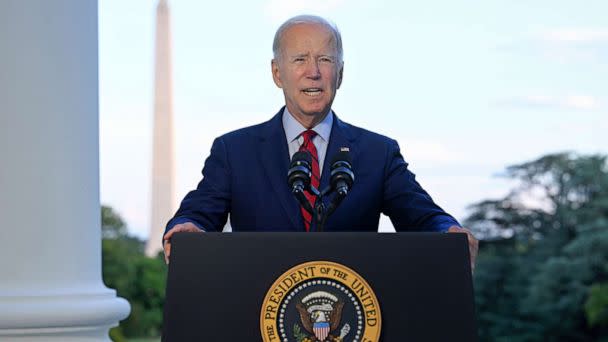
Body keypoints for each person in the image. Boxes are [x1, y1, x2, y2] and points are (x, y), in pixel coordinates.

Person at [162, 15, 478, 269]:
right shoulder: (234, 151)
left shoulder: (378, 153)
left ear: (339, 73)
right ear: (277, 73)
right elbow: (201, 211)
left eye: (325, 59)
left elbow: (421, 215)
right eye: (300, 59)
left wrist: (447, 231)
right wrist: (188, 227)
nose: (313, 72)